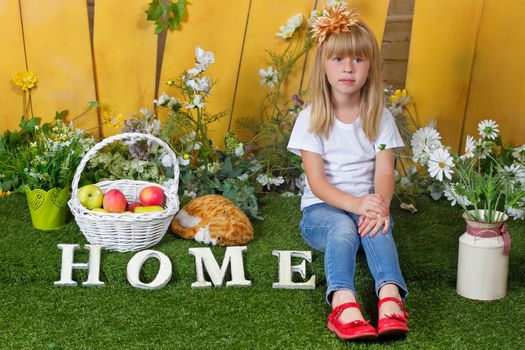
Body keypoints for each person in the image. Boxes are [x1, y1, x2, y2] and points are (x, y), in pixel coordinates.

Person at [287, 5, 409, 340]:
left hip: (366, 206)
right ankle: (343, 301)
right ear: (324, 67)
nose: (348, 68)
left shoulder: (380, 118)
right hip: (321, 211)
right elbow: (317, 182)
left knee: (377, 226)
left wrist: (379, 203)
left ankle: (390, 296)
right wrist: (356, 205)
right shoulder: (311, 120)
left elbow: (385, 171)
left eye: (358, 60)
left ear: (370, 68)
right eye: (338, 59)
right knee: (342, 226)